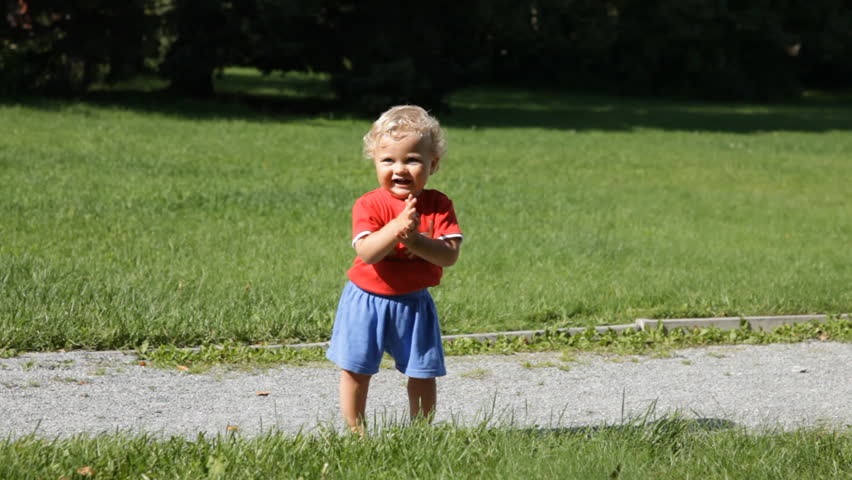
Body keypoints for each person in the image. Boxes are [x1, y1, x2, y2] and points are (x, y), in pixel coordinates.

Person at [326, 105, 463, 433]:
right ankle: (356, 434)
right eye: (388, 160)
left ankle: (420, 432)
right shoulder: (369, 204)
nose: (399, 168)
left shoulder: (438, 205)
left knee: (423, 371)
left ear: (433, 164)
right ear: (374, 160)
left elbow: (448, 256)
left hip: (415, 303)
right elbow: (368, 252)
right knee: (356, 369)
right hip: (366, 300)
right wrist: (397, 227)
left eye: (412, 159)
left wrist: (414, 240)